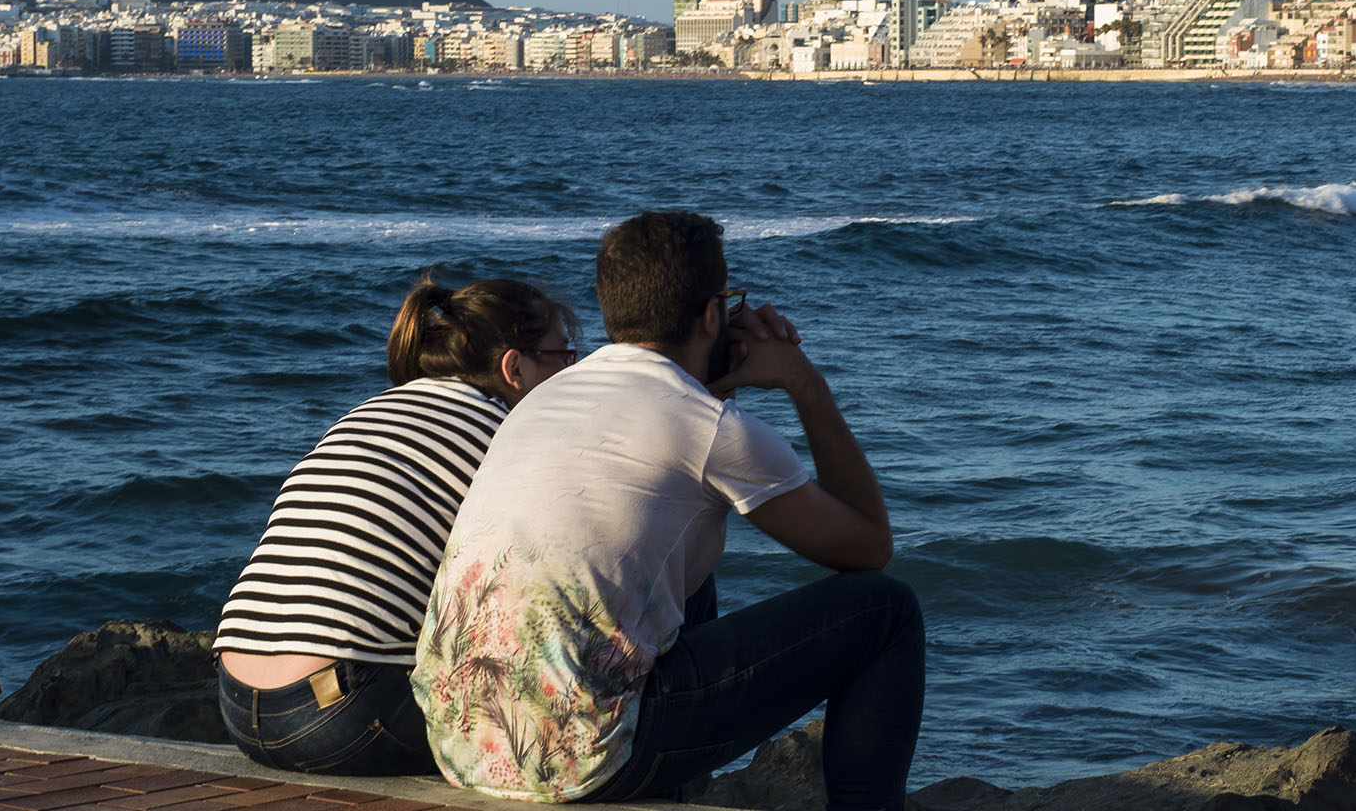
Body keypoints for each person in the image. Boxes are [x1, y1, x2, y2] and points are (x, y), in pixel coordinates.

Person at [412, 211, 924, 808]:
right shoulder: (711, 429)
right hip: (581, 761)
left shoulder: (546, 396)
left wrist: (709, 376)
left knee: (683, 574)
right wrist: (804, 383)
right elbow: (868, 546)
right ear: (713, 313)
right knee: (886, 612)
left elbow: (658, 437)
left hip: (462, 743)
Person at [213, 275, 578, 775]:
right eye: (564, 358)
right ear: (514, 367)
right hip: (339, 714)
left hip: (236, 702)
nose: (572, 374)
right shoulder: (507, 434)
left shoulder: (368, 412)